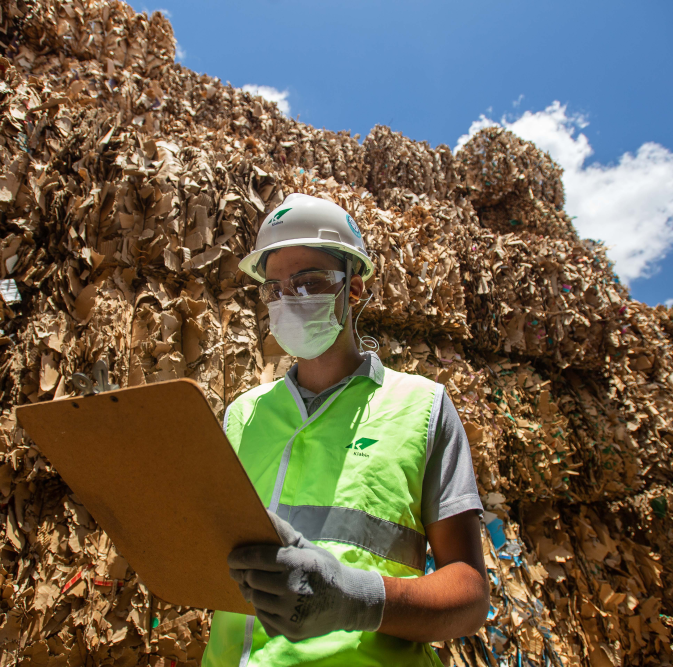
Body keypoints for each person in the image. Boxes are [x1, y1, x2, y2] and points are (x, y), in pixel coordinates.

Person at [202, 193, 490, 666]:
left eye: (309, 282)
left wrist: (354, 600)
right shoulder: (243, 414)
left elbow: (470, 594)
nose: (288, 300)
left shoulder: (421, 406)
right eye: (274, 288)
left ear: (353, 289)